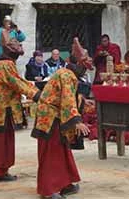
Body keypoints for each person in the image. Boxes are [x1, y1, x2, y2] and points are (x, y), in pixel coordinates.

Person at [31, 38, 91, 199]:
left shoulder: (67, 74)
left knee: (61, 150)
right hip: (49, 118)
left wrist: (82, 100)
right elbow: (67, 99)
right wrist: (77, 121)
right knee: (52, 153)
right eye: (84, 67)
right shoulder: (67, 75)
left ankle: (64, 183)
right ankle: (48, 190)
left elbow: (70, 96)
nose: (85, 71)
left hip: (55, 117)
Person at [0, 38, 40, 182]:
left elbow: (17, 81)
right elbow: (16, 82)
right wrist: (36, 94)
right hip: (4, 109)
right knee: (3, 140)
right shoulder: (7, 64)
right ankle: (1, 171)